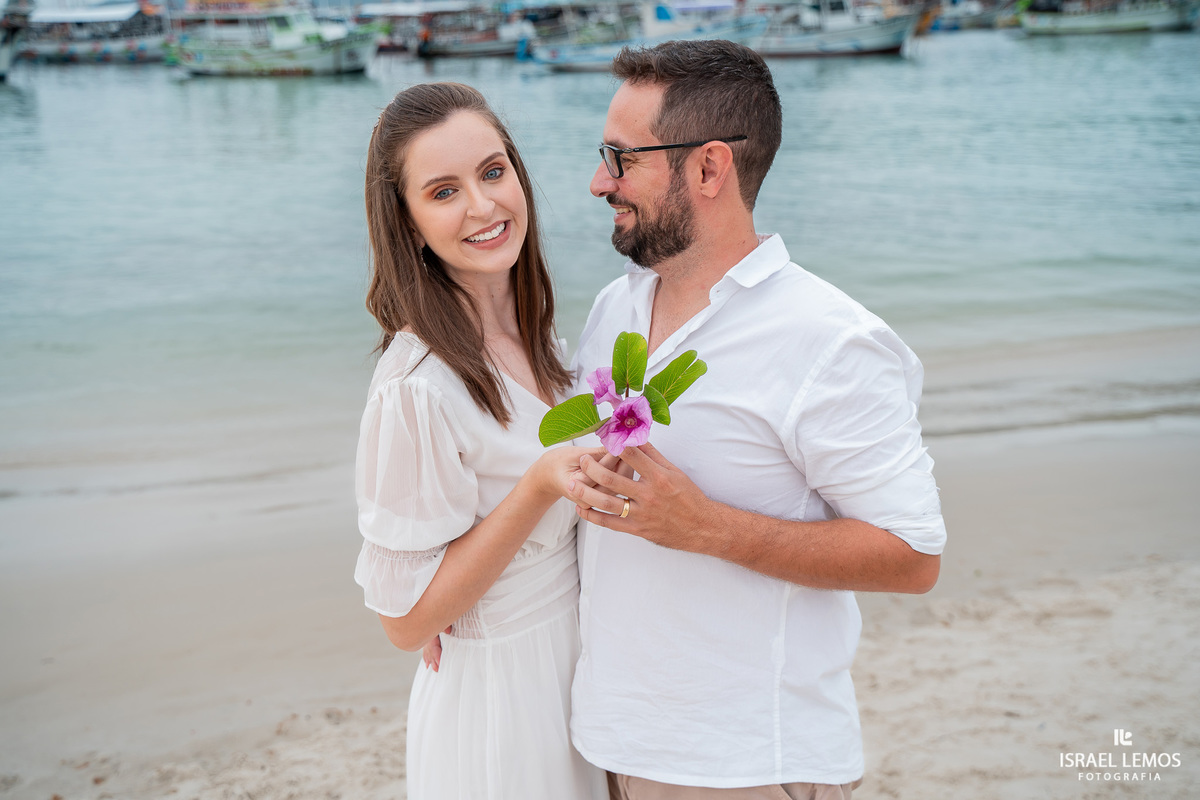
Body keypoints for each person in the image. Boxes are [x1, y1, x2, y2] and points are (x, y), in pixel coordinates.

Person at [564, 41, 948, 799]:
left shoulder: (831, 341)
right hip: (607, 746)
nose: (598, 181)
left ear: (709, 169)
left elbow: (913, 556)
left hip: (745, 766)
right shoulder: (617, 307)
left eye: (621, 157)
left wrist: (711, 527)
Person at [354, 82, 608, 800]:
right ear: (406, 223)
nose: (483, 206)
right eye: (443, 191)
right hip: (502, 698)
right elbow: (405, 622)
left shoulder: (545, 346)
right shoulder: (417, 387)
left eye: (493, 172)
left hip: (581, 672)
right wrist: (536, 487)